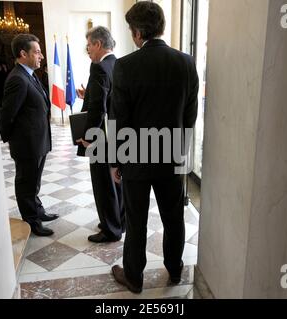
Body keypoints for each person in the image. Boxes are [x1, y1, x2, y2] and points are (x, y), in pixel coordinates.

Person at [110, 2, 199, 293]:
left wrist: (115, 161)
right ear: (160, 28)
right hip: (173, 156)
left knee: (136, 221)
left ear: (137, 33)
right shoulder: (186, 62)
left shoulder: (125, 66)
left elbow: (118, 121)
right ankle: (175, 270)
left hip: (136, 158)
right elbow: (189, 115)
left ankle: (134, 276)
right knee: (173, 217)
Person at [0, 34, 58, 237]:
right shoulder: (17, 79)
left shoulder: (30, 74)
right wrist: (11, 140)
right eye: (37, 52)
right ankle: (31, 222)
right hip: (27, 144)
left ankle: (38, 211)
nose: (41, 56)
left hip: (38, 141)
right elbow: (8, 114)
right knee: (26, 183)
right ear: (23, 54)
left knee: (34, 182)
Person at [76, 26, 125, 243]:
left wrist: (89, 136)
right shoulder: (119, 64)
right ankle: (119, 222)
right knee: (116, 181)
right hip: (119, 134)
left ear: (97, 44)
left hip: (102, 137)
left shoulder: (98, 68)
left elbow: (97, 107)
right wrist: (89, 94)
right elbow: (110, 98)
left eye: (88, 46)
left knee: (103, 183)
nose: (88, 50)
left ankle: (110, 229)